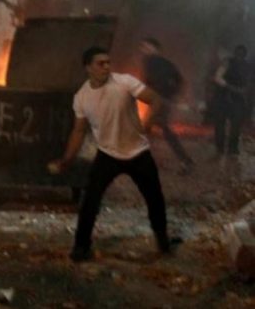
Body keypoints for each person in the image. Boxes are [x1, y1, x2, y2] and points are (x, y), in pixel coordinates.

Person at [48, 46, 179, 262]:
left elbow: (155, 99)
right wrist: (67, 159)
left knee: (154, 198)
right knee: (90, 201)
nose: (106, 67)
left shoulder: (124, 82)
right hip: (107, 155)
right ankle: (81, 247)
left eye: (108, 62)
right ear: (88, 67)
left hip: (138, 152)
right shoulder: (82, 97)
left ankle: (163, 242)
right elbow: (78, 131)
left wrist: (147, 124)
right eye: (100, 63)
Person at [139, 38, 194, 174]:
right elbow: (152, 81)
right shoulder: (152, 62)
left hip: (160, 100)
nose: (144, 49)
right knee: (152, 129)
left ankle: (186, 161)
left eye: (147, 47)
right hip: (158, 100)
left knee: (157, 129)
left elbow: (178, 80)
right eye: (143, 47)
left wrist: (169, 94)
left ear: (155, 48)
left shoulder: (157, 62)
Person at [212, 44, 250, 156]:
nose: (239, 56)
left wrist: (244, 92)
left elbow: (248, 83)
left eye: (242, 54)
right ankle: (220, 148)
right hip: (223, 97)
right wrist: (231, 88)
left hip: (237, 99)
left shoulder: (247, 66)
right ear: (235, 53)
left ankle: (232, 148)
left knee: (235, 125)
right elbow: (217, 78)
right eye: (238, 53)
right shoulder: (227, 62)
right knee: (221, 124)